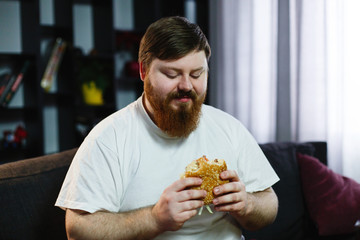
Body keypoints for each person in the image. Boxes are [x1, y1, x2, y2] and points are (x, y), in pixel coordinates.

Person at [55, 16, 279, 240]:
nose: (186, 86)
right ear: (143, 72)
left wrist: (247, 204)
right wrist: (154, 219)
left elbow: (269, 203)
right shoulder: (109, 138)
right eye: (172, 74)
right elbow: (78, 229)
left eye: (196, 74)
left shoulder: (229, 127)